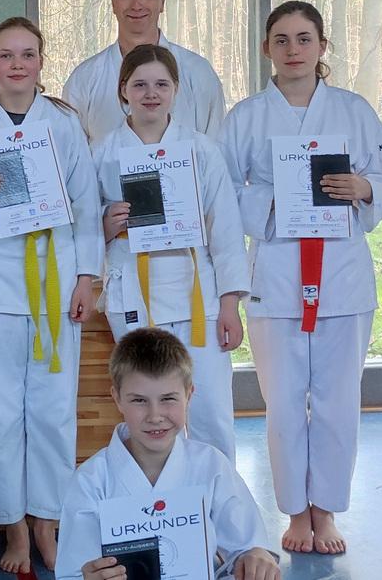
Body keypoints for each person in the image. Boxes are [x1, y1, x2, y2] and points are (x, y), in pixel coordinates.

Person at [218, 1, 382, 555]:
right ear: (266, 48)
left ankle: (326, 511)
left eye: (304, 39)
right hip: (275, 274)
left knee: (338, 399)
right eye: (281, 39)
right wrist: (274, 201)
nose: (293, 49)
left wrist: (362, 188)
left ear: (322, 47)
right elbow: (222, 195)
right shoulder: (247, 116)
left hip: (342, 274)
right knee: (284, 399)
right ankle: (295, 512)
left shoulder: (354, 111)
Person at [0, 16, 103, 573]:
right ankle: (11, 529)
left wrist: (86, 277)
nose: (16, 65)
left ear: (40, 62)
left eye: (27, 55)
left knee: (54, 411)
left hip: (56, 278)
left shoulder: (62, 124)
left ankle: (47, 523)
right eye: (6, 55)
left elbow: (86, 207)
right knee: (1, 411)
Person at [94, 44, 249, 463]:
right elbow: (84, 228)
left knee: (211, 409)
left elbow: (227, 230)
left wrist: (231, 303)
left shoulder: (201, 150)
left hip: (198, 294)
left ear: (176, 90)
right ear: (123, 89)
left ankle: (220, 517)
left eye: (161, 84)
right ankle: (159, 508)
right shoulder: (103, 154)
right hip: (135, 294)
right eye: (139, 84)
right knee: (148, 411)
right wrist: (106, 225)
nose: (151, 93)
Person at [55, 328, 280, 580]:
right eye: (139, 400)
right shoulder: (91, 481)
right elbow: (73, 571)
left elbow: (248, 547)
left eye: (168, 399)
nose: (155, 416)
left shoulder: (211, 465)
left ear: (189, 395)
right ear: (117, 398)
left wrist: (256, 556)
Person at [63, 0, 225, 145]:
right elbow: (71, 157)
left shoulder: (198, 72)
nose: (136, 4)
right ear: (113, 3)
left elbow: (217, 149)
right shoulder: (85, 79)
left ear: (162, 1)